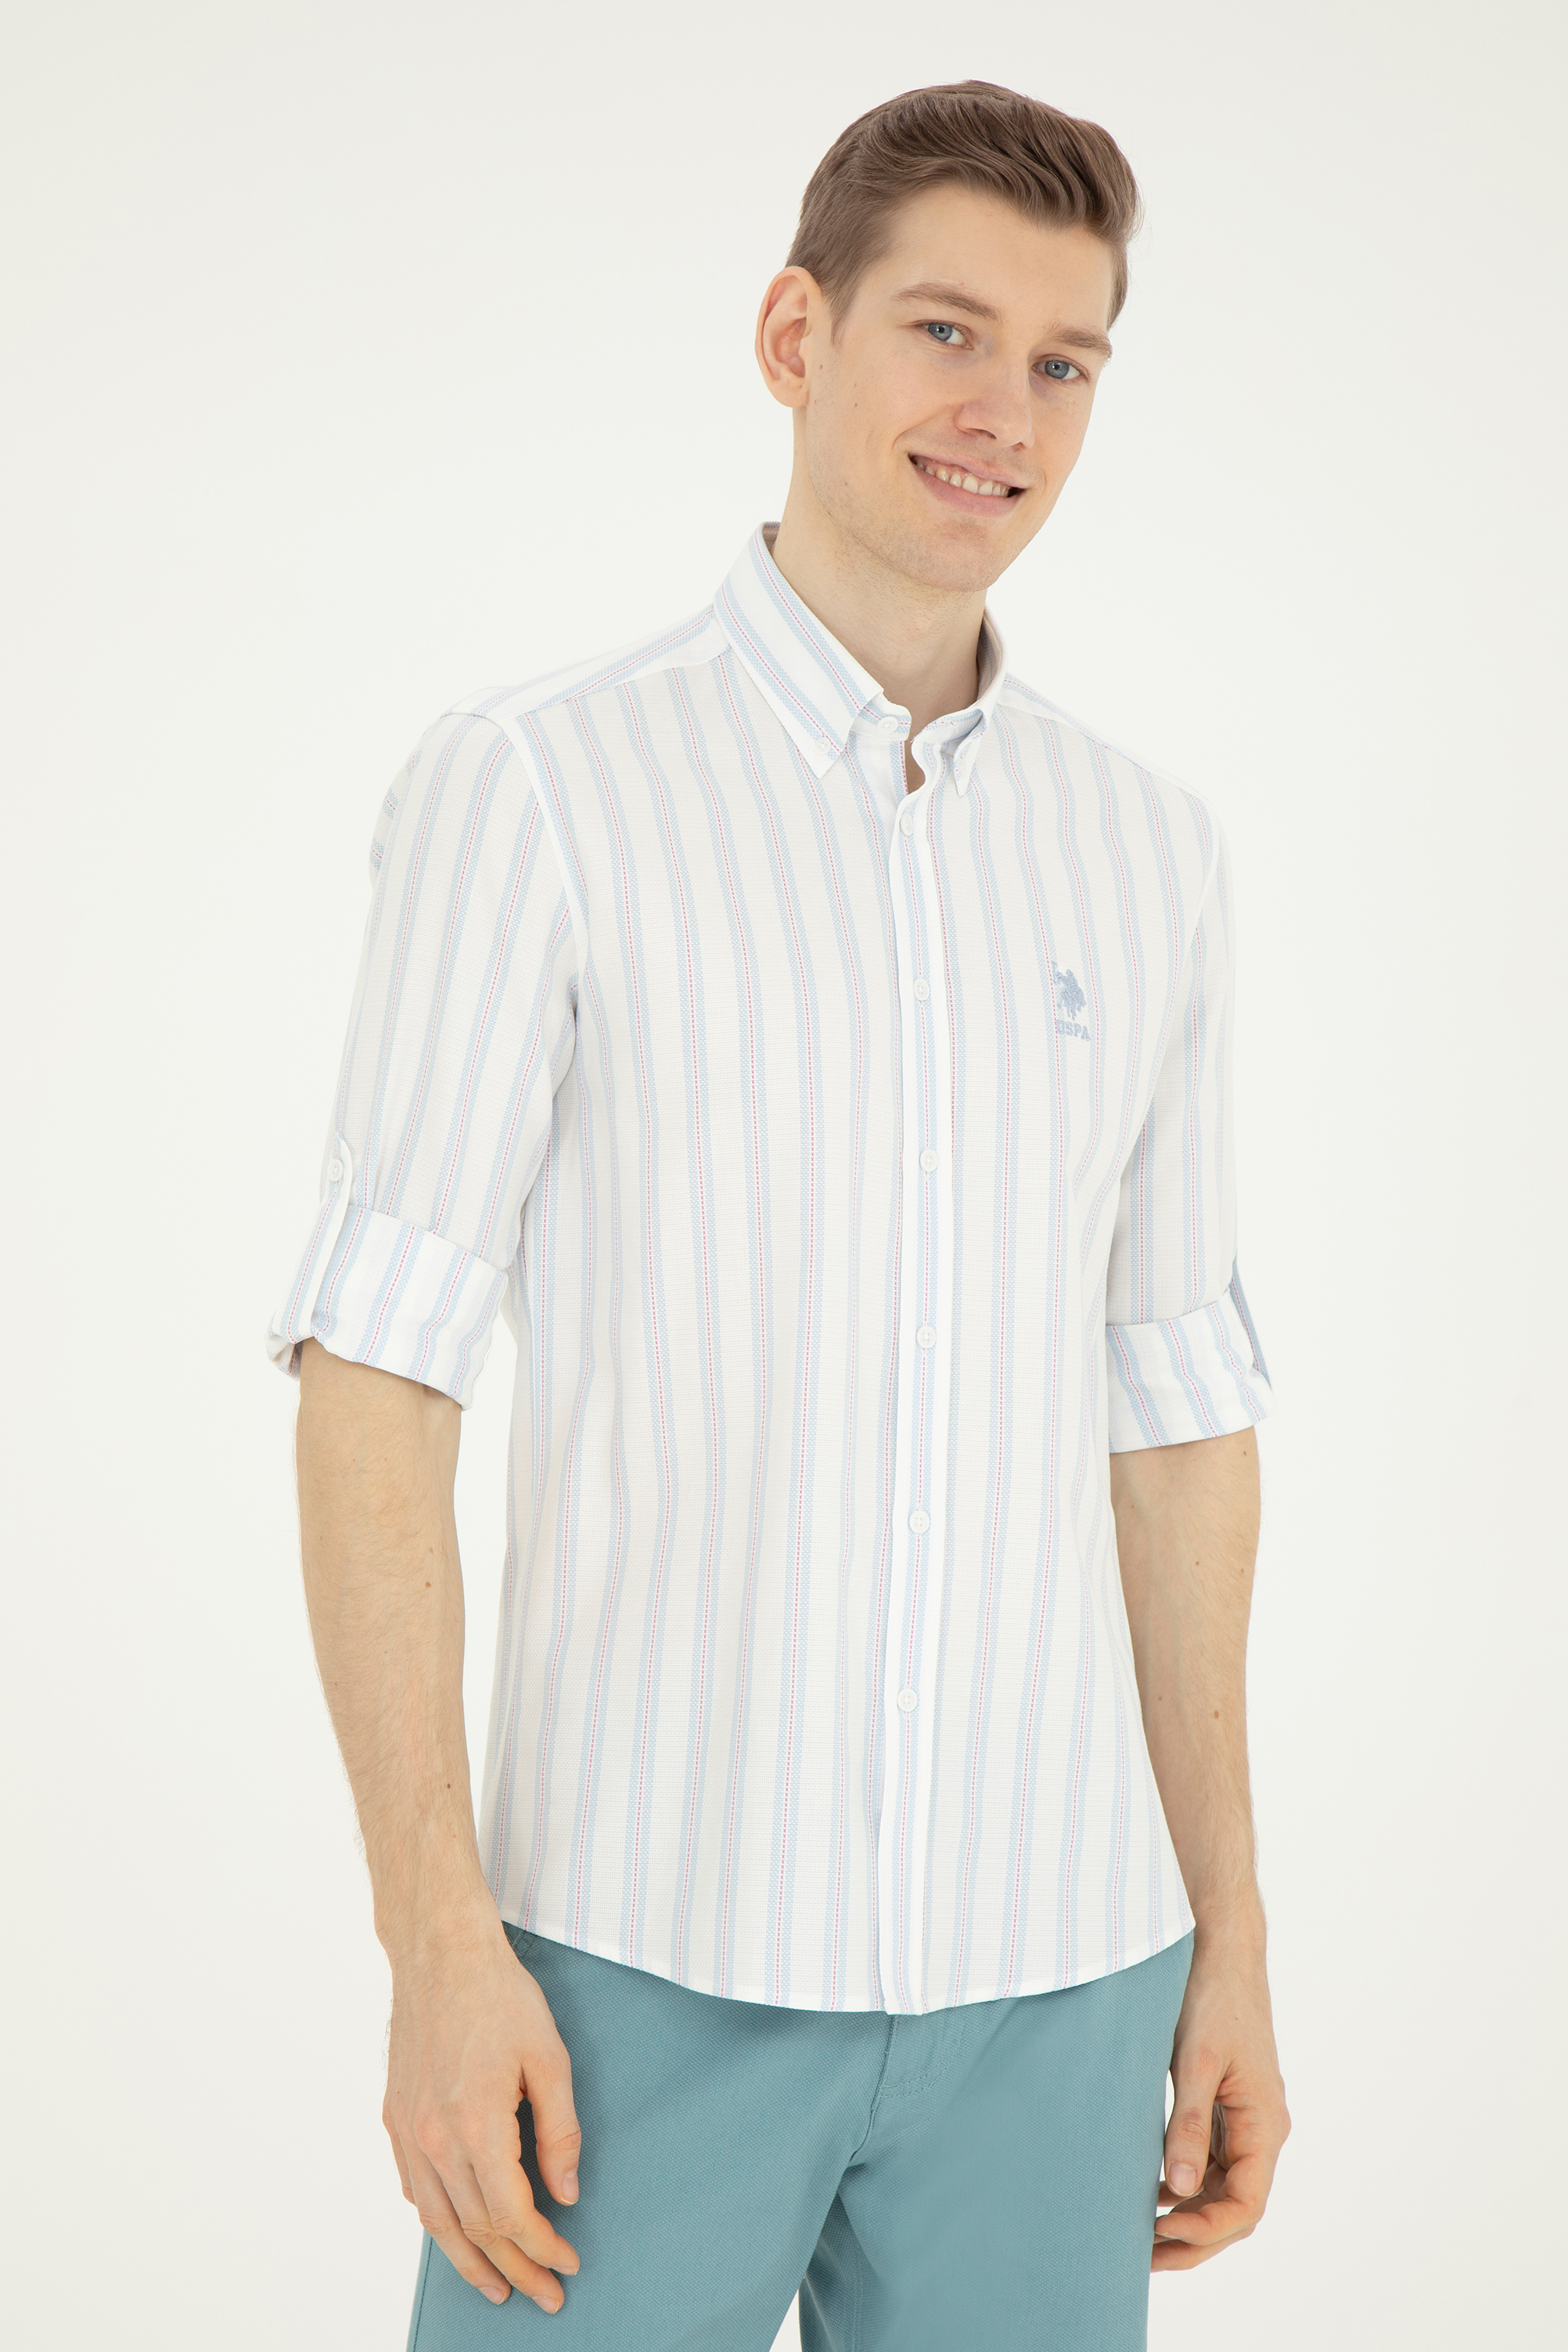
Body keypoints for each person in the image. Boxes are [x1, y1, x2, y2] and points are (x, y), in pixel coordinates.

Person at [269, 78, 1289, 2351]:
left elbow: (1174, 1417)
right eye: (945, 330)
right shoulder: (538, 785)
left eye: (1063, 361)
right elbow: (376, 1382)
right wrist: (436, 1943)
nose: (1002, 410)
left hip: (1061, 1975)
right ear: (792, 335)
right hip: (633, 1970)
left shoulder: (1148, 851)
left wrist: (1227, 1929)